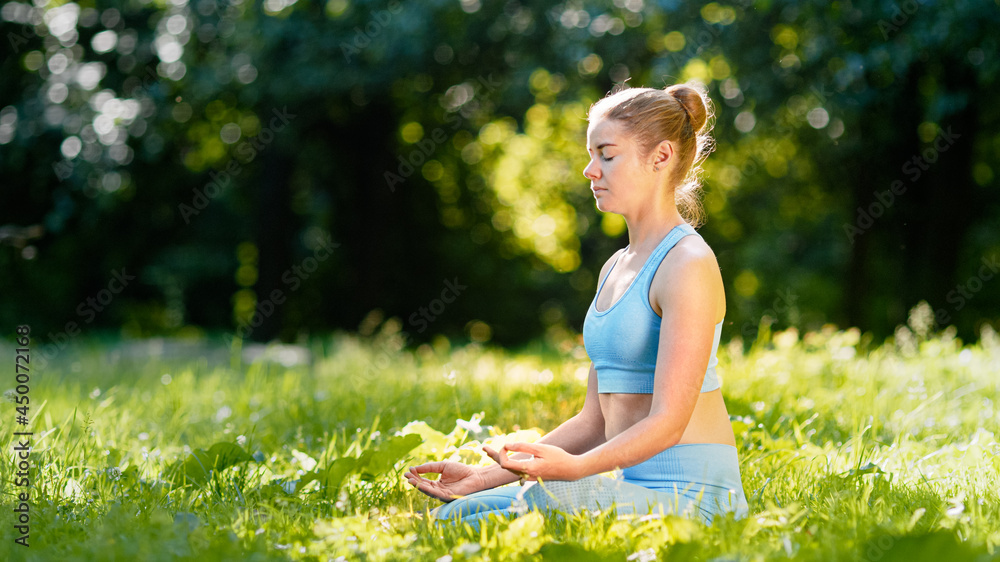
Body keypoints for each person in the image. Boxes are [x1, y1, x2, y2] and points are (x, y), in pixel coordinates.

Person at [403, 79, 749, 531]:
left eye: (606, 154)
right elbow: (593, 420)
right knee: (454, 514)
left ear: (660, 157)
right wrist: (485, 477)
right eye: (591, 155)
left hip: (694, 496)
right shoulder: (615, 268)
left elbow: (668, 422)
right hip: (631, 488)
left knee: (512, 511)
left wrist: (572, 469)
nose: (590, 170)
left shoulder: (688, 263)